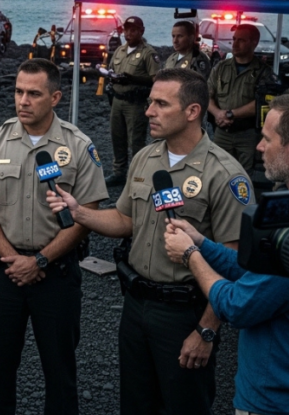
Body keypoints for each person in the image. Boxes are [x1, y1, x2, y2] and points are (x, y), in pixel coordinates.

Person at [48, 69, 251, 415]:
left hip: (186, 313)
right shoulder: (145, 158)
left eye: (161, 104)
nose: (148, 112)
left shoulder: (225, 174)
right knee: (136, 403)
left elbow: (235, 263)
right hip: (137, 305)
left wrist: (206, 330)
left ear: (192, 112)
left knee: (184, 405)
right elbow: (126, 219)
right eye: (149, 102)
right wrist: (79, 212)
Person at [162, 92, 289, 415]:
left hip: (281, 399)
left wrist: (190, 256)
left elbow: (238, 305)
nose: (259, 147)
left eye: (267, 139)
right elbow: (258, 272)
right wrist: (203, 243)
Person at [0, 59, 108, 415]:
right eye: (18, 91)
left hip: (56, 275)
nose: (22, 101)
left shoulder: (78, 146)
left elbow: (86, 216)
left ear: (56, 97)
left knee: (60, 373)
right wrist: (14, 259)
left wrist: (40, 260)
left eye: (33, 94)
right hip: (5, 272)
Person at [207, 24, 275, 174]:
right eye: (234, 39)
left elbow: (263, 102)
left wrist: (231, 114)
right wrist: (218, 113)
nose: (235, 44)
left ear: (254, 43)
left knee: (245, 175)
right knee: (216, 171)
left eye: (241, 40)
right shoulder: (221, 68)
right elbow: (207, 95)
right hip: (222, 132)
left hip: (248, 134)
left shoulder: (263, 72)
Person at [106, 15, 159, 186]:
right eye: (126, 30)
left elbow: (156, 80)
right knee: (117, 137)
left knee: (136, 140)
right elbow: (112, 70)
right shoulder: (120, 51)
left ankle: (138, 175)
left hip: (135, 102)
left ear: (141, 31)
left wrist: (132, 79)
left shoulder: (148, 53)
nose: (129, 34)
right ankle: (119, 172)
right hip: (117, 100)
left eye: (133, 30)